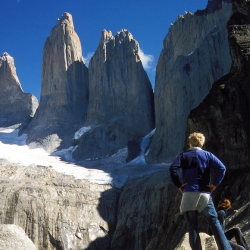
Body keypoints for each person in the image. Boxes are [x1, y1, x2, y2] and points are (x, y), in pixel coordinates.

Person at [170, 132, 232, 250]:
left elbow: (173, 169)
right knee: (214, 223)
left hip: (188, 194)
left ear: (190, 143)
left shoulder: (183, 156)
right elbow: (222, 168)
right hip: (204, 193)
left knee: (192, 227)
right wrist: (214, 184)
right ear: (202, 143)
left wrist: (179, 185)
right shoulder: (207, 155)